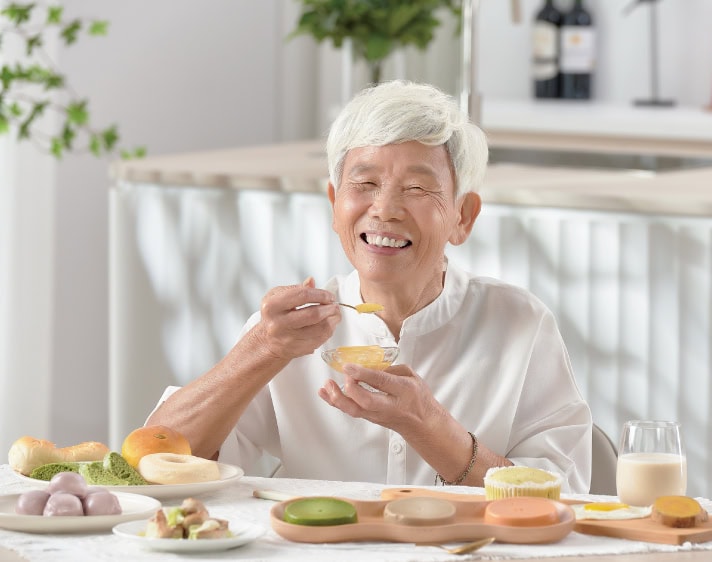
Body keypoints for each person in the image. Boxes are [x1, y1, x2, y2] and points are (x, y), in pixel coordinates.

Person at [147, 80, 592, 492]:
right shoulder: (287, 333)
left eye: (416, 188)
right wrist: (261, 349)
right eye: (364, 184)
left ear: (463, 216)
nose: (384, 209)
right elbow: (154, 461)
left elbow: (563, 500)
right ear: (334, 203)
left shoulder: (520, 324)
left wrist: (430, 427)